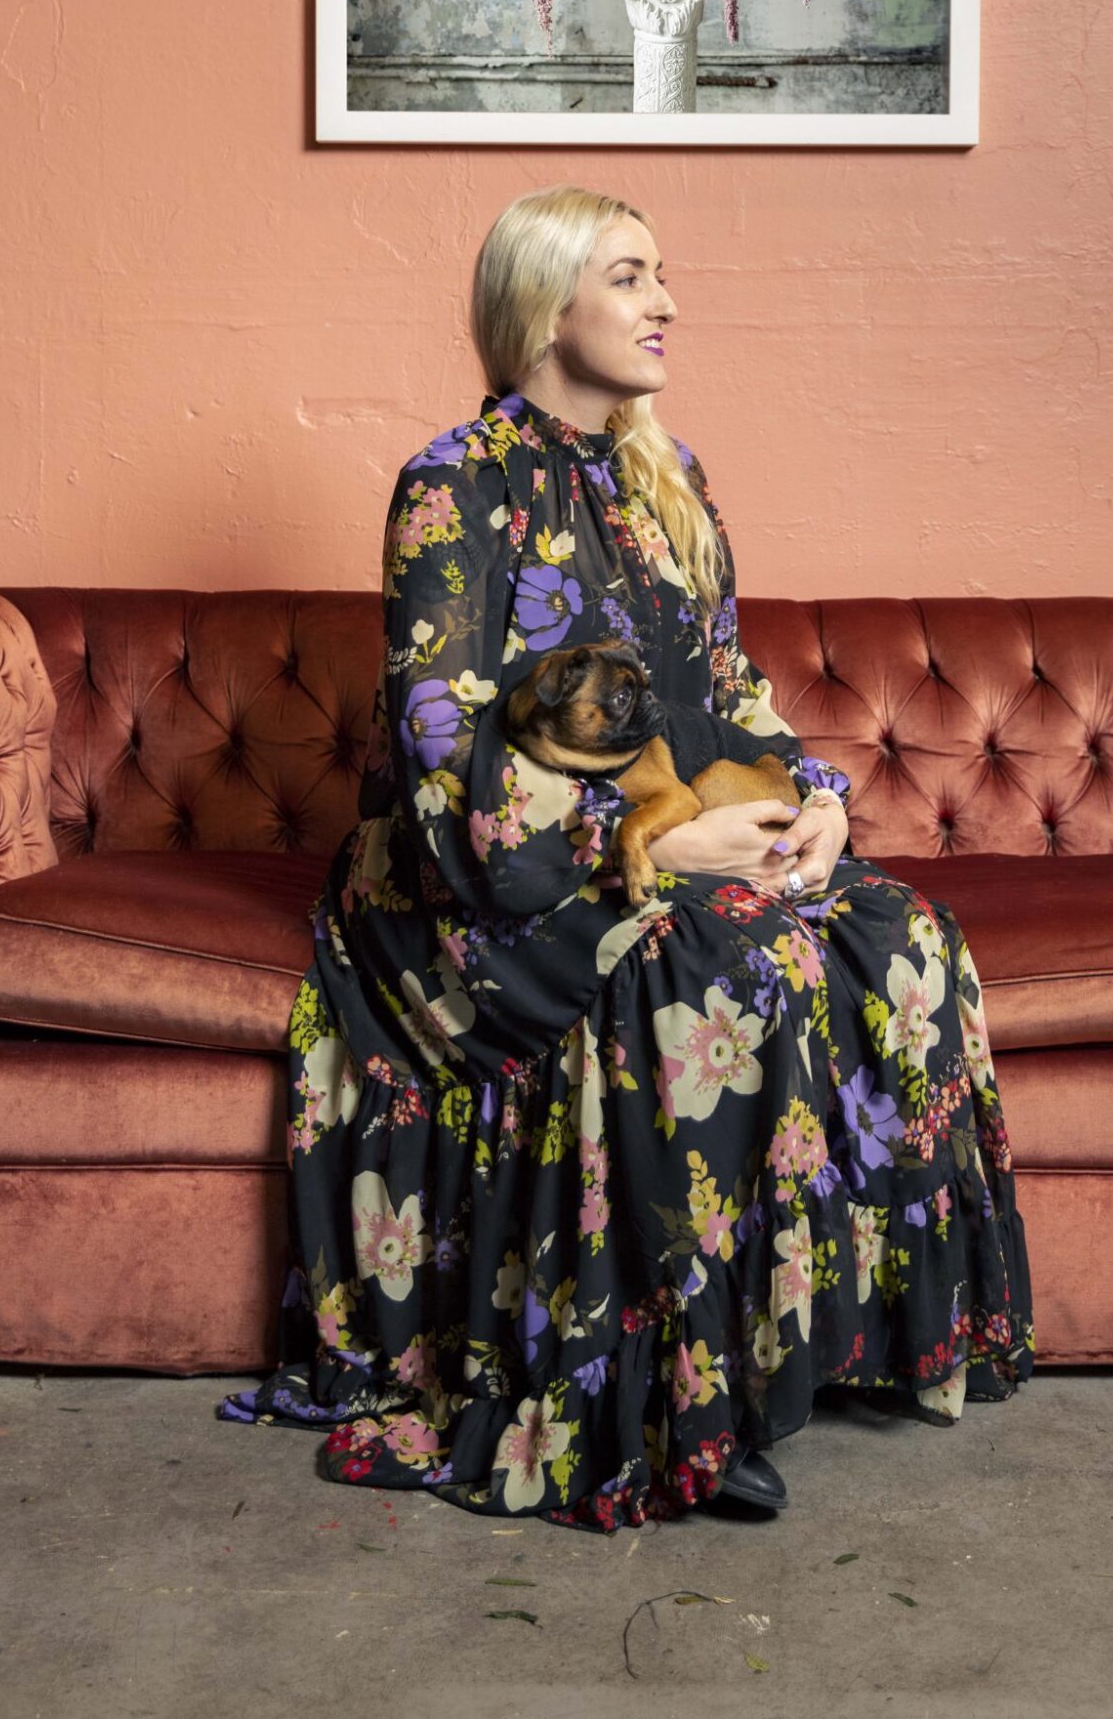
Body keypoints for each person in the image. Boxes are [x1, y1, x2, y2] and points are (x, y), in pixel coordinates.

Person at [218, 185, 1035, 1526]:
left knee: (906, 943)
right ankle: (677, 1400)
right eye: (632, 276)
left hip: (675, 824)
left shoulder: (673, 481)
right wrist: (640, 846)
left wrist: (814, 796)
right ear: (546, 306)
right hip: (483, 886)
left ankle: (830, 1346)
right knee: (715, 969)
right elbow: (444, 755)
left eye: (664, 276)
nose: (667, 303)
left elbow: (729, 692)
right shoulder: (450, 486)